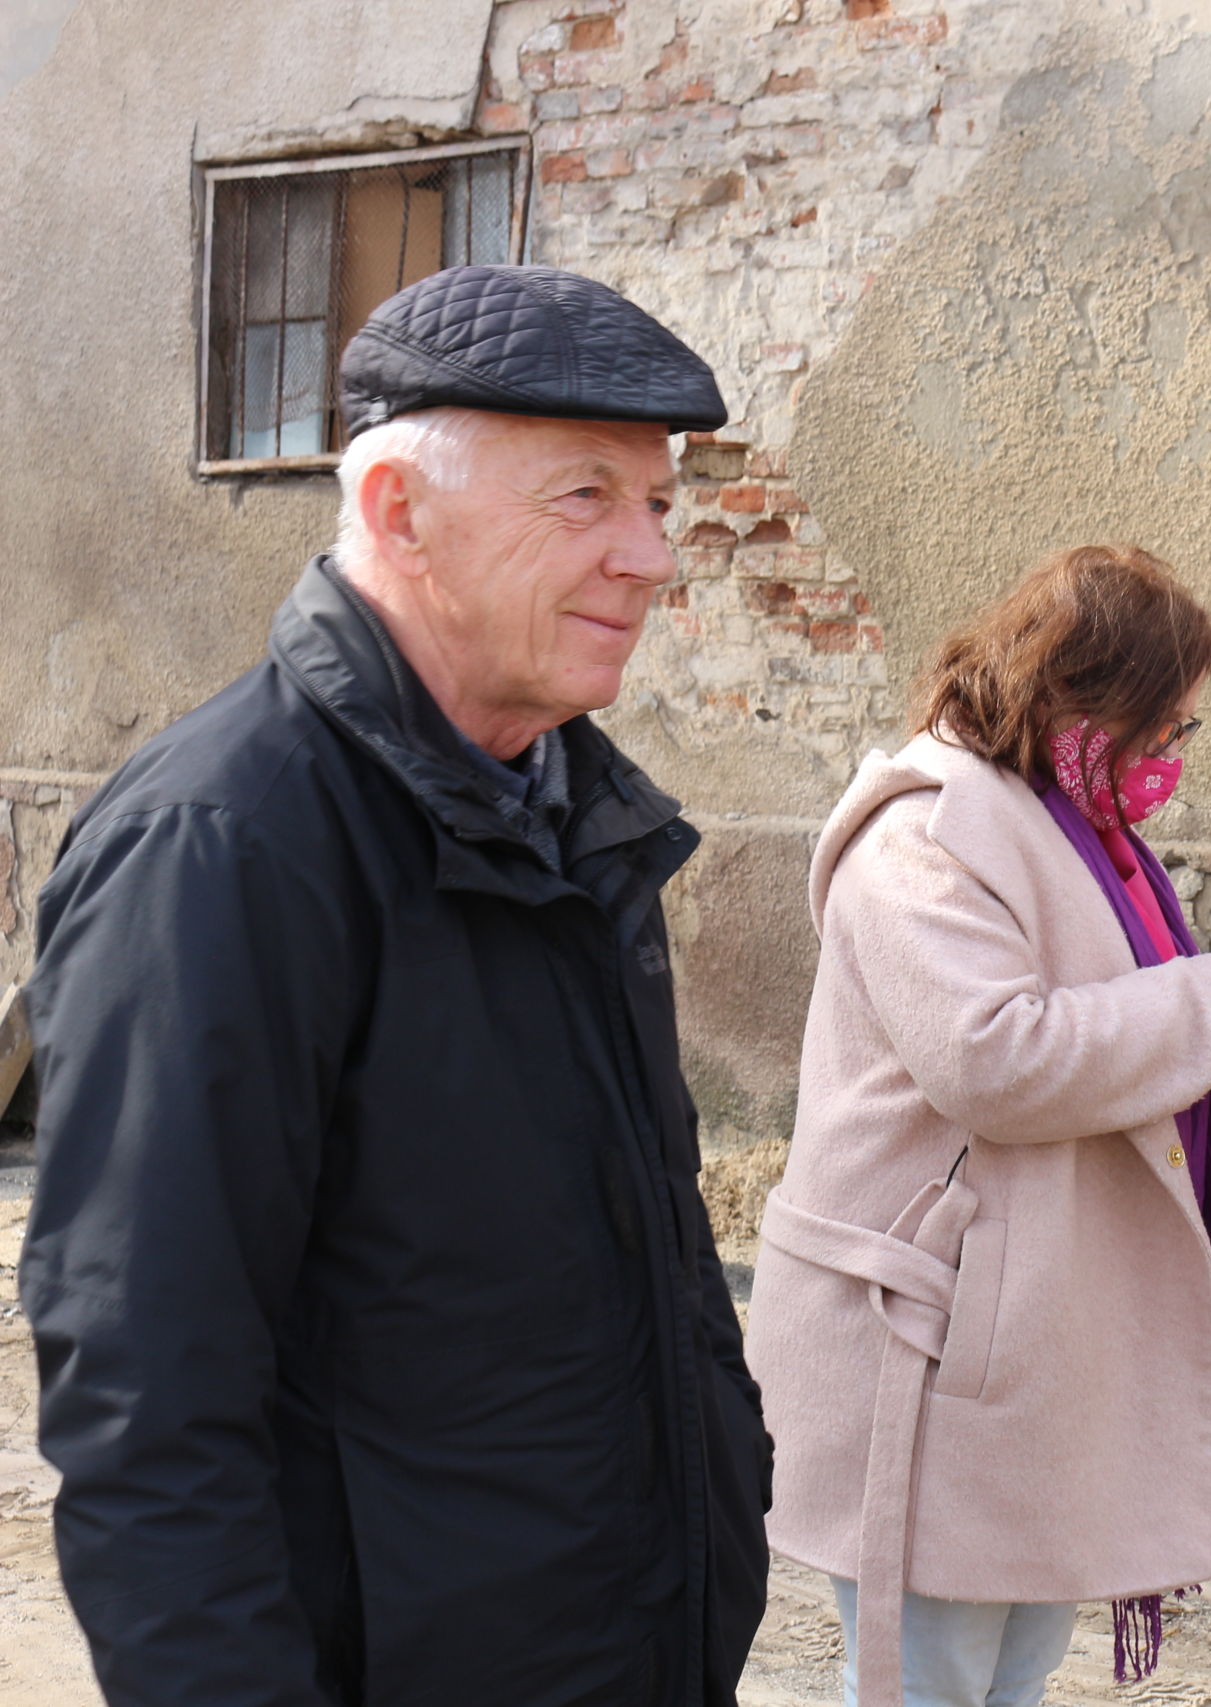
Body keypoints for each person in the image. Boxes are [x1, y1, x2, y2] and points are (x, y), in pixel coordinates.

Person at [19, 266, 771, 1706]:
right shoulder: (226, 844)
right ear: (399, 512)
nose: (649, 557)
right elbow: (147, 1402)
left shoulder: (575, 819)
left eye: (657, 504)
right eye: (585, 497)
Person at [746, 545, 1211, 1707]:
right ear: (1080, 698)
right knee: (931, 1679)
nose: (1170, 752)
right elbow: (996, 1060)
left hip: (1032, 1342)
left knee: (1013, 1670)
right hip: (935, 1344)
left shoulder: (1069, 823)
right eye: (1161, 723)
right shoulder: (923, 833)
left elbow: (1115, 1023)